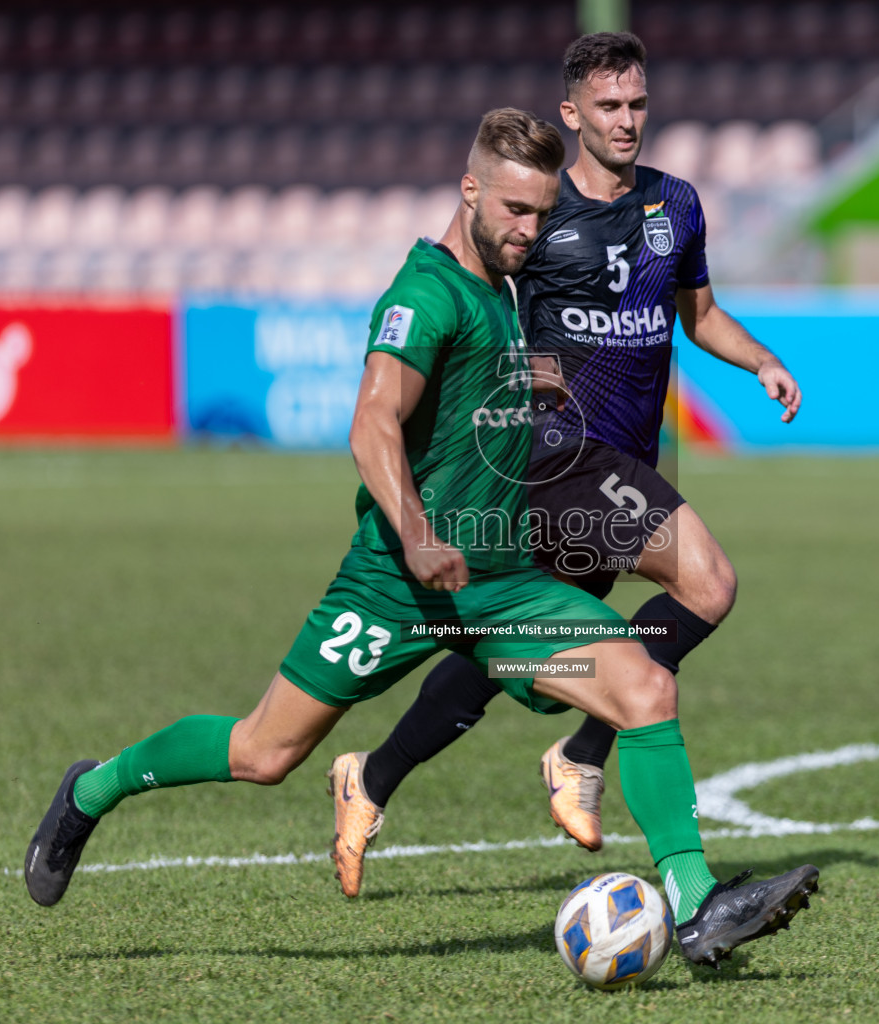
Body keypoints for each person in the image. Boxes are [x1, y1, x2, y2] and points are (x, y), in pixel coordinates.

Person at [24, 107, 818, 970]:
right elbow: (373, 425)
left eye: (543, 213)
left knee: (645, 690)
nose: (530, 230)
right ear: (468, 190)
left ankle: (696, 905)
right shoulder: (423, 293)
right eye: (514, 210)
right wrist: (414, 535)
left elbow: (477, 392)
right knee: (263, 752)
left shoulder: (506, 285)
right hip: (397, 585)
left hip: (502, 585)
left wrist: (533, 386)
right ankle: (92, 789)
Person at [327, 33, 803, 902]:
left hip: (625, 457)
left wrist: (760, 359)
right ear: (572, 114)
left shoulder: (677, 205)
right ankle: (586, 753)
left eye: (639, 105)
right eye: (609, 108)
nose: (627, 122)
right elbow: (474, 309)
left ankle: (374, 779)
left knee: (510, 649)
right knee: (707, 582)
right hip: (554, 455)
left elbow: (702, 315)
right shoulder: (537, 218)